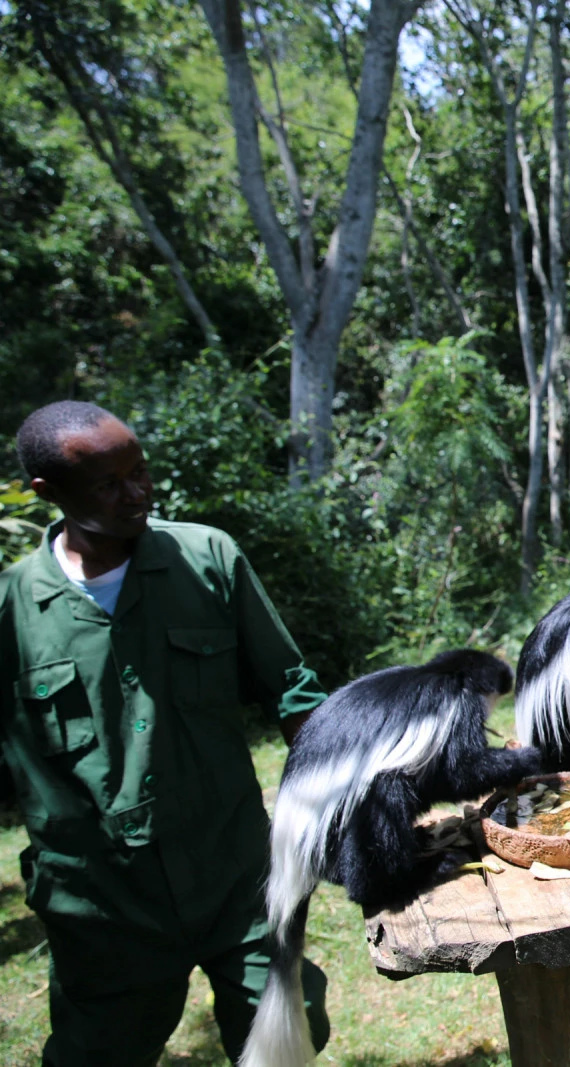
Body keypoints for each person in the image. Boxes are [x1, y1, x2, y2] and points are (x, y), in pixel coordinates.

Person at [0, 401, 332, 1066]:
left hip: (234, 874)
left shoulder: (207, 558)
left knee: (287, 1034)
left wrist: (347, 793)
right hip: (102, 906)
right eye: (109, 483)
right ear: (49, 492)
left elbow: (293, 688)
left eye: (141, 470)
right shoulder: (11, 610)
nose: (138, 491)